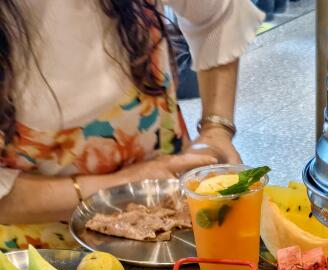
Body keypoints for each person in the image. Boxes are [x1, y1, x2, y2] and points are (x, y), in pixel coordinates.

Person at [0, 0, 264, 250]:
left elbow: (218, 13)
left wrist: (216, 128)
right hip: (46, 248)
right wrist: (124, 183)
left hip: (173, 216)